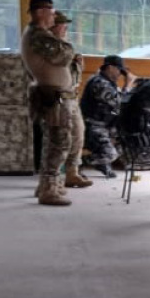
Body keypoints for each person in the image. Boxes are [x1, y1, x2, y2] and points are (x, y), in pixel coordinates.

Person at [20, 0, 80, 205]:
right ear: (40, 12)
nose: (54, 16)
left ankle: (47, 186)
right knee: (59, 143)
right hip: (53, 97)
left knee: (54, 142)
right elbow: (64, 55)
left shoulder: (41, 34)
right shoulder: (38, 35)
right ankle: (48, 190)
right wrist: (68, 47)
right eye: (51, 12)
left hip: (55, 95)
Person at [49, 11, 92, 190]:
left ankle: (72, 172)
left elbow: (71, 76)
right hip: (56, 99)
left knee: (78, 135)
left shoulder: (65, 45)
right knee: (60, 140)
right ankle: (52, 178)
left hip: (71, 98)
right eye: (62, 24)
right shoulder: (47, 46)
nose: (65, 28)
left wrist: (77, 65)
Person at [80, 55, 134, 178]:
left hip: (105, 125)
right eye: (119, 70)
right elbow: (119, 101)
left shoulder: (109, 83)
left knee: (127, 142)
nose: (120, 73)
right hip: (92, 126)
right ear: (109, 68)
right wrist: (128, 85)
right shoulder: (99, 83)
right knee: (111, 154)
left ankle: (102, 162)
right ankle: (78, 164)